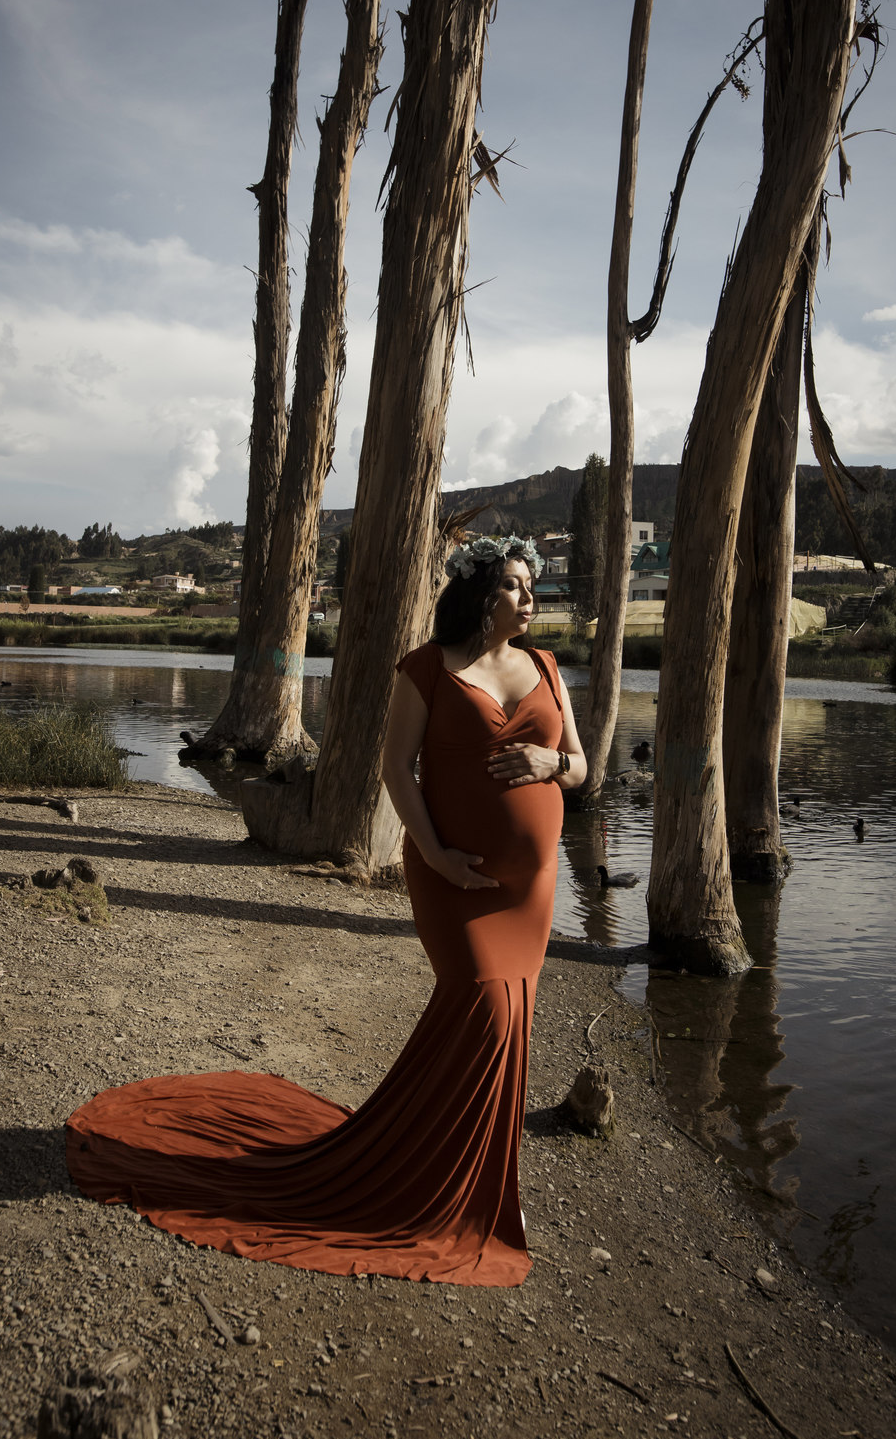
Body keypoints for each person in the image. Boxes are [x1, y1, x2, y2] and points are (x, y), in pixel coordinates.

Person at [64, 534, 585, 1287]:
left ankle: (480, 1190)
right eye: (514, 584)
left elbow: (582, 765)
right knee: (485, 1010)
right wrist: (434, 853)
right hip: (450, 877)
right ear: (478, 595)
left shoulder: (544, 668)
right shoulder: (427, 669)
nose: (530, 598)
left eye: (531, 585)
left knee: (509, 1029)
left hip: (529, 886)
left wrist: (550, 764)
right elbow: (394, 769)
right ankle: (433, 1182)